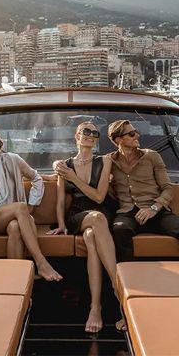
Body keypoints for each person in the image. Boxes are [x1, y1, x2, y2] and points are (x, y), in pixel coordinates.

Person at [51, 122, 123, 333]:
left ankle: (95, 307)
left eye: (95, 133)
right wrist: (62, 225)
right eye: (86, 132)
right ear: (77, 136)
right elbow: (59, 200)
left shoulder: (105, 161)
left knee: (91, 237)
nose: (91, 135)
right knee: (96, 220)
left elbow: (100, 197)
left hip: (100, 212)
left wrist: (73, 178)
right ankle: (117, 284)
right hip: (78, 215)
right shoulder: (64, 165)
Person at [0, 125, 63, 281]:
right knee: (20, 207)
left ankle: (17, 281)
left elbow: (36, 178)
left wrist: (32, 204)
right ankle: (41, 262)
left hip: (16, 218)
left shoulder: (12, 159)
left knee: (15, 227)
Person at [107, 120, 179, 262]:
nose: (137, 136)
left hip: (156, 211)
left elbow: (167, 188)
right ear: (119, 139)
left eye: (136, 132)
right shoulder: (108, 161)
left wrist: (154, 208)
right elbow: (86, 167)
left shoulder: (151, 156)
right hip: (127, 212)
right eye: (132, 134)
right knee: (120, 230)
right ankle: (128, 278)